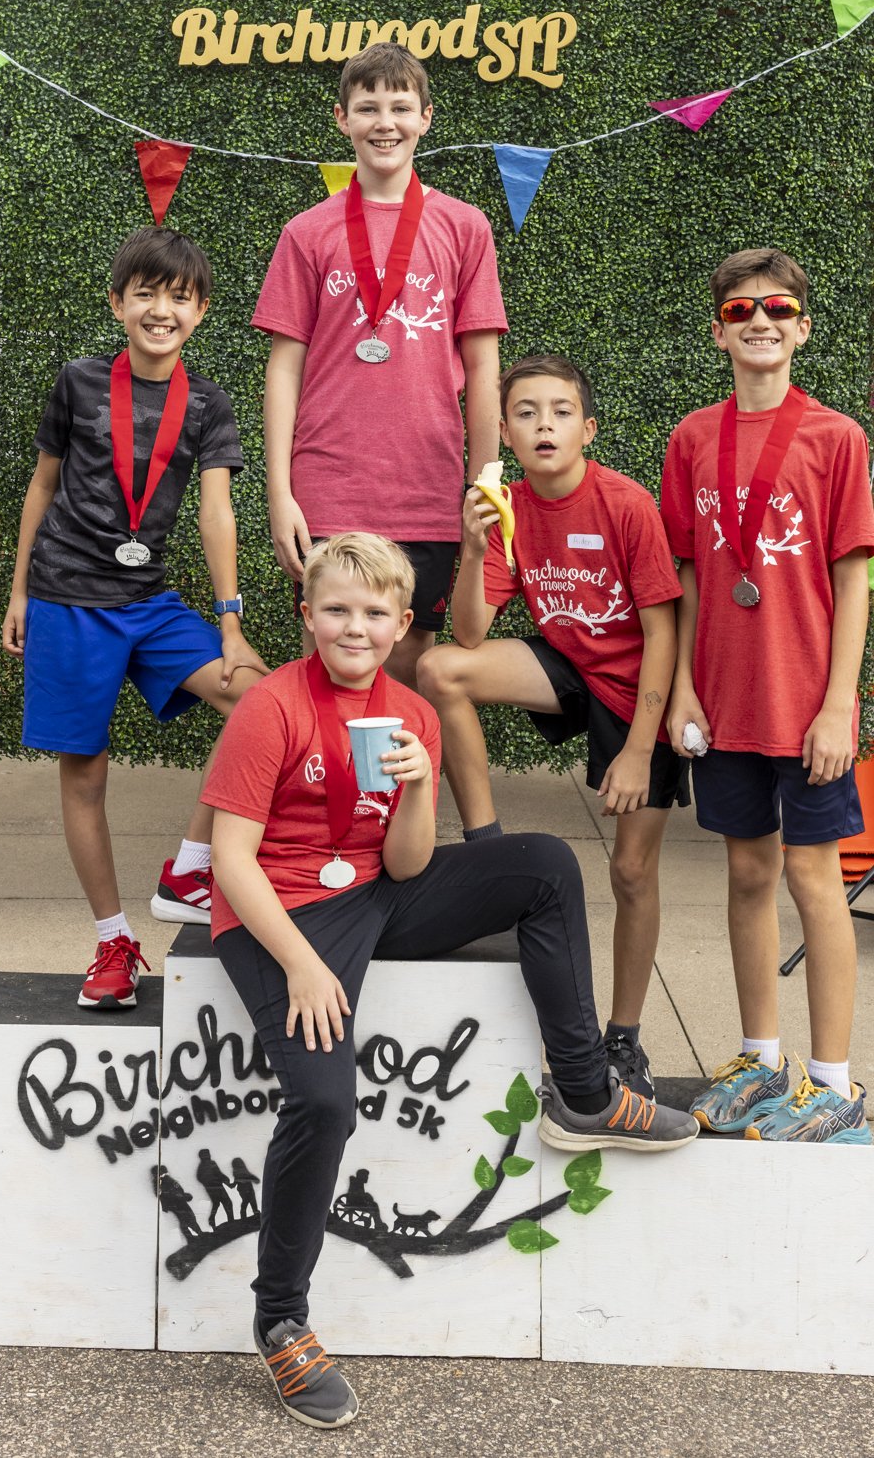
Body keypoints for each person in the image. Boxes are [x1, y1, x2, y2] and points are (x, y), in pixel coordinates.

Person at [203, 531, 698, 1431]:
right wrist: (302, 965)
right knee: (323, 1101)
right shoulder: (270, 708)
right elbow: (230, 862)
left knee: (544, 865)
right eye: (337, 610)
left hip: (375, 890)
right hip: (280, 911)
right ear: (309, 616)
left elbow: (407, 863)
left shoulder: (410, 712)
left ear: (401, 626)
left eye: (374, 613)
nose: (355, 627)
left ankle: (585, 1092)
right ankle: (281, 1319)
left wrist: (420, 787)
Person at [2, 226, 266, 1008]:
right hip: (66, 601)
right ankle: (112, 940)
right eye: (145, 294)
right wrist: (19, 593)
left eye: (179, 298)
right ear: (118, 303)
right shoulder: (79, 381)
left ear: (201, 310)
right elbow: (43, 485)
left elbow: (217, 514)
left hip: (148, 602)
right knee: (85, 774)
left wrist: (229, 622)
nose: (161, 310)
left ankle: (190, 866)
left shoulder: (208, 403)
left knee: (262, 701)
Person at [418, 355, 690, 1099]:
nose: (544, 425)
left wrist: (640, 751)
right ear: (505, 433)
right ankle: (487, 845)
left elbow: (664, 632)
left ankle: (624, 1038)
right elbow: (469, 636)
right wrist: (474, 549)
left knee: (631, 871)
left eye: (561, 412)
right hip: (570, 667)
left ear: (587, 429)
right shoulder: (504, 506)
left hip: (636, 692)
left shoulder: (624, 504)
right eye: (527, 413)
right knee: (440, 669)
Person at [660, 248, 874, 1143]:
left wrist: (838, 706)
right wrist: (683, 690)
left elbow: (854, 578)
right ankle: (761, 1057)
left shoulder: (836, 437)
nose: (760, 322)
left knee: (813, 877)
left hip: (805, 700)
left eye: (778, 309)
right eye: (740, 310)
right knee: (747, 874)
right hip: (724, 702)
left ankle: (833, 1082)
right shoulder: (691, 438)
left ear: (803, 328)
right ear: (719, 332)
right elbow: (685, 575)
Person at [251, 42, 508, 688]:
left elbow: (484, 369)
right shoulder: (306, 232)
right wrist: (279, 494)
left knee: (406, 663)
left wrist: (484, 486)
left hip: (426, 489)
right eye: (368, 108)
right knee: (331, 661)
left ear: (426, 117)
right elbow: (283, 371)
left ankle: (392, 768)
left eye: (400, 107)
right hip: (328, 489)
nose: (384, 122)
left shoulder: (465, 227)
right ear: (342, 118)